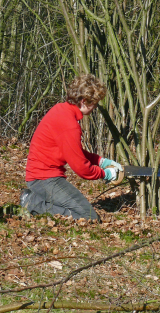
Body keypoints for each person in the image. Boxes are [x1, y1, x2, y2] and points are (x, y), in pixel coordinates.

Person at [19, 74, 122, 220]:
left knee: (79, 211)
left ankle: (36, 199)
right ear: (84, 101)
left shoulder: (61, 110)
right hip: (43, 179)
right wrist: (105, 174)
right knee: (88, 217)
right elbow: (81, 168)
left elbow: (72, 151)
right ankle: (31, 203)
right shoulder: (69, 125)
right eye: (95, 103)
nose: (95, 107)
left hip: (42, 177)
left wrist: (100, 161)